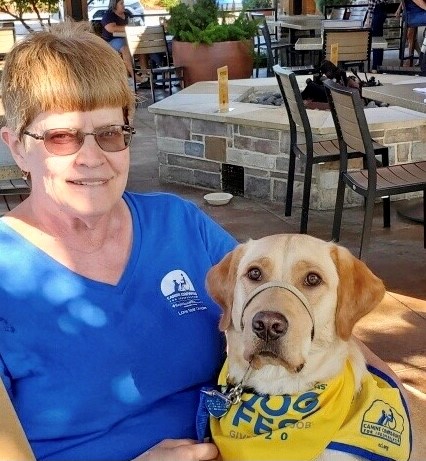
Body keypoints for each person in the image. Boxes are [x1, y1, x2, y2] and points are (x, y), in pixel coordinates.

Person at [0, 20, 408, 461]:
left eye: (110, 133)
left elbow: (307, 315)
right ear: (17, 146)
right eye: (61, 137)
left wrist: (393, 404)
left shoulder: (178, 224)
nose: (93, 157)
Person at [101, 0, 148, 84]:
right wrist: (128, 28)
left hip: (126, 39)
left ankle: (145, 75)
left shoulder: (127, 15)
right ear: (115, 5)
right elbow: (111, 28)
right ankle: (133, 75)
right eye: (121, 3)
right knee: (124, 47)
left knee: (141, 46)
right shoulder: (109, 15)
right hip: (111, 41)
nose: (124, 5)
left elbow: (134, 24)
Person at [366, 0, 390, 71]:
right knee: (378, 39)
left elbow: (371, 4)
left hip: (377, 10)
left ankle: (375, 67)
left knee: (376, 39)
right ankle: (377, 66)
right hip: (381, 9)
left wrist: (369, 18)